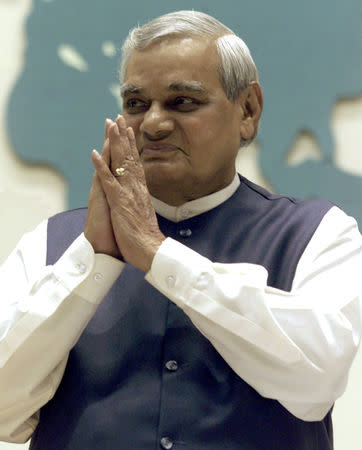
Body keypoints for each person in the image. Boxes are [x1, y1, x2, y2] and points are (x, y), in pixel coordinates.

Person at [0, 10, 361, 450]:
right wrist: (91, 261)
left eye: (182, 102)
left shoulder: (318, 233)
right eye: (135, 104)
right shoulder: (51, 243)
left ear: (247, 110)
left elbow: (317, 379)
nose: (152, 124)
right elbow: (5, 413)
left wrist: (159, 255)